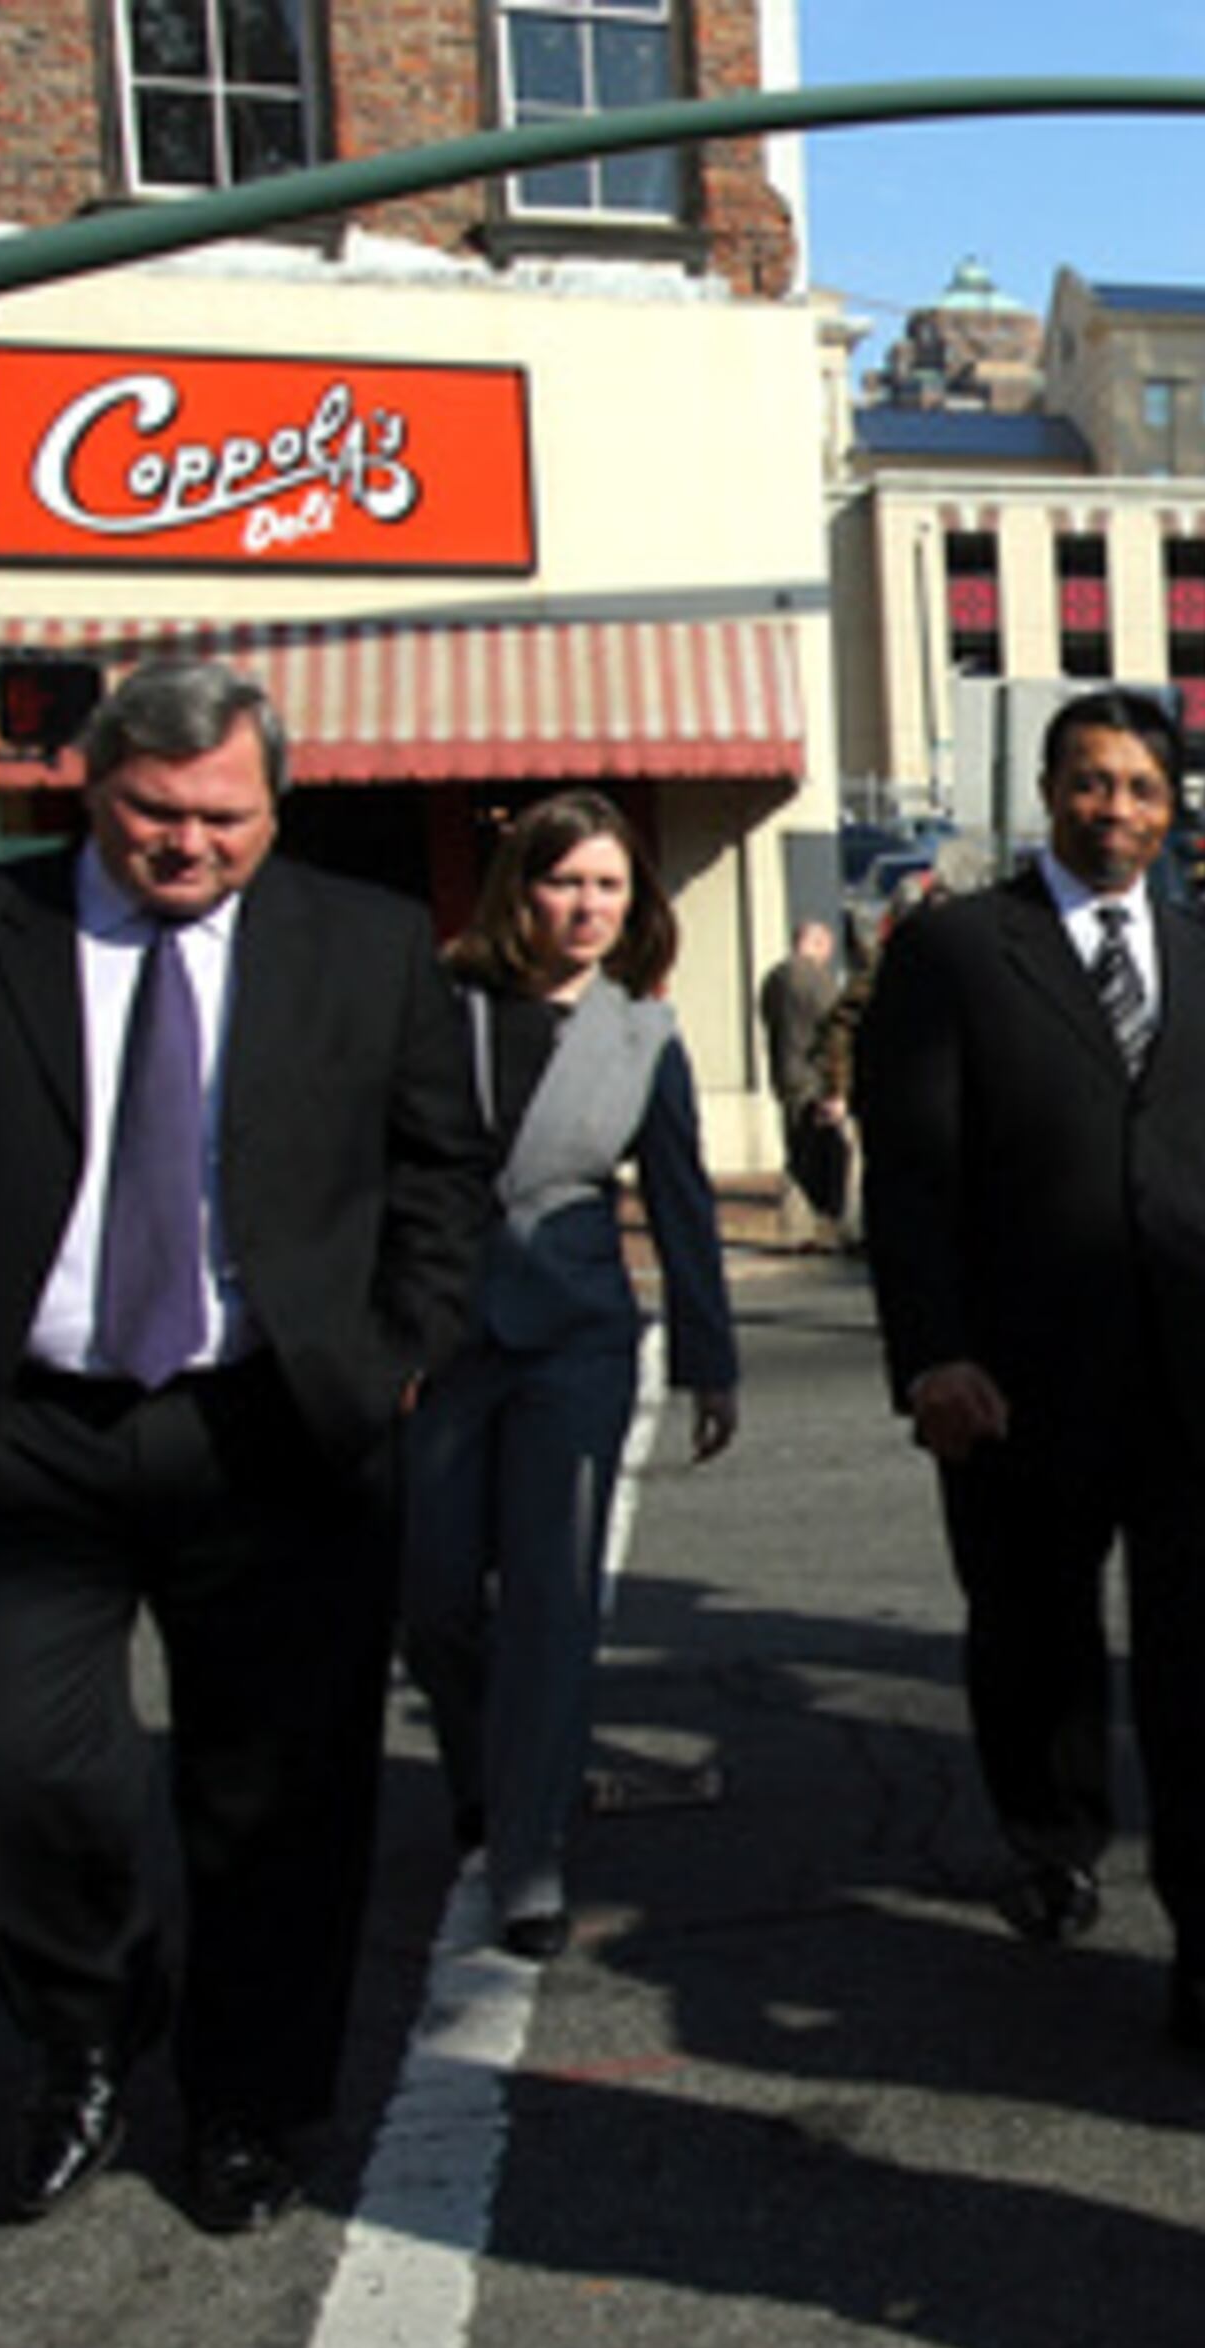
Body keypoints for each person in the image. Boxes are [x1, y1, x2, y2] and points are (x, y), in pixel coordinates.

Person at [0, 658, 490, 2232]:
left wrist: (398, 1356)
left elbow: (440, 1173)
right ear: (87, 788)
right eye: (154, 812)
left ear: (273, 807)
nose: (187, 846)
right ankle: (84, 2025)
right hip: (21, 1435)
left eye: (225, 818)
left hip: (276, 1432)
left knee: (278, 1802)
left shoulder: (362, 948)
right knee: (10, 1768)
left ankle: (250, 2103)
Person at [854, 689, 1205, 2093]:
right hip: (1016, 1387)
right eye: (1093, 785)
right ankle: (1049, 1837)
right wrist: (933, 1353)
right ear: (1049, 792)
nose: (1120, 812)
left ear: (1178, 807)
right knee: (1034, 1639)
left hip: (1189, 1389)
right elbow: (913, 1175)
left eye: (1146, 789)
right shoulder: (959, 953)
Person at [400, 790, 740, 1967]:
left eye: (610, 885)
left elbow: (686, 1209)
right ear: (520, 891)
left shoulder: (643, 1037)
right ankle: (487, 1777)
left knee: (549, 1600)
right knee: (436, 1597)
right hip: (441, 1342)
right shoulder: (441, 1005)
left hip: (577, 1339)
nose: (589, 906)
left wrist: (711, 1361)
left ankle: (530, 1850)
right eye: (567, 882)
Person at [759, 915, 848, 1250]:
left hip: (785, 1074)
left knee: (796, 1151)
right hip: (815, 1077)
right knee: (823, 1155)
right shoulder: (818, 981)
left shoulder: (773, 979)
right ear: (818, 944)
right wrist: (836, 1085)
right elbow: (833, 1029)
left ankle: (795, 1230)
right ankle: (822, 1228)